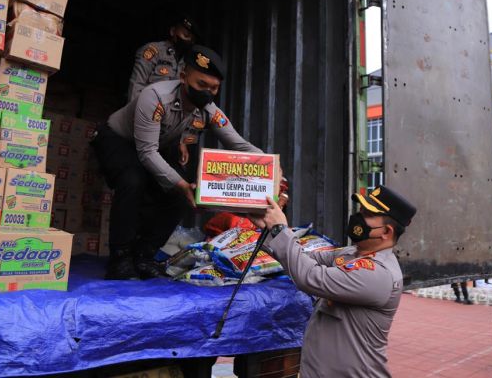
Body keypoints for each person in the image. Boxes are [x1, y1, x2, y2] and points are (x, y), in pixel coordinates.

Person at [92, 45, 263, 280]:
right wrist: (182, 185)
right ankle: (120, 258)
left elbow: (238, 144)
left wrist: (270, 167)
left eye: (214, 88)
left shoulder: (209, 111)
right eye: (201, 85)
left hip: (155, 146)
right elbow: (147, 152)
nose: (207, 93)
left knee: (179, 198)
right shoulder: (155, 97)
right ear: (183, 77)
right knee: (133, 181)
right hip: (118, 139)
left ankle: (145, 255)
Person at [249, 185, 416, 378]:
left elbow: (310, 277)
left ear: (386, 232)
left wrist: (280, 229)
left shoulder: (379, 274)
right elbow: (303, 259)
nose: (358, 218)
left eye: (367, 214)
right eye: (360, 211)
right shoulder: (351, 253)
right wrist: (269, 230)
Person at [126, 14, 200, 102]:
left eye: (192, 40)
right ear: (173, 31)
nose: (188, 41)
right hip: (146, 108)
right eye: (186, 35)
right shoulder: (154, 51)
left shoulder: (187, 63)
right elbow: (136, 86)